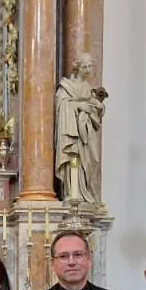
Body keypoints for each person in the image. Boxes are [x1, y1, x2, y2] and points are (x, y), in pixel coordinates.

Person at [55, 54, 105, 205]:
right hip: (72, 134)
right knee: (72, 159)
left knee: (86, 163)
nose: (87, 70)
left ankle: (84, 193)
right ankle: (73, 193)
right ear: (77, 67)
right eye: (84, 67)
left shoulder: (88, 89)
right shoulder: (66, 86)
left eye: (90, 66)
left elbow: (95, 110)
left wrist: (99, 107)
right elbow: (61, 105)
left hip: (86, 135)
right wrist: (78, 106)